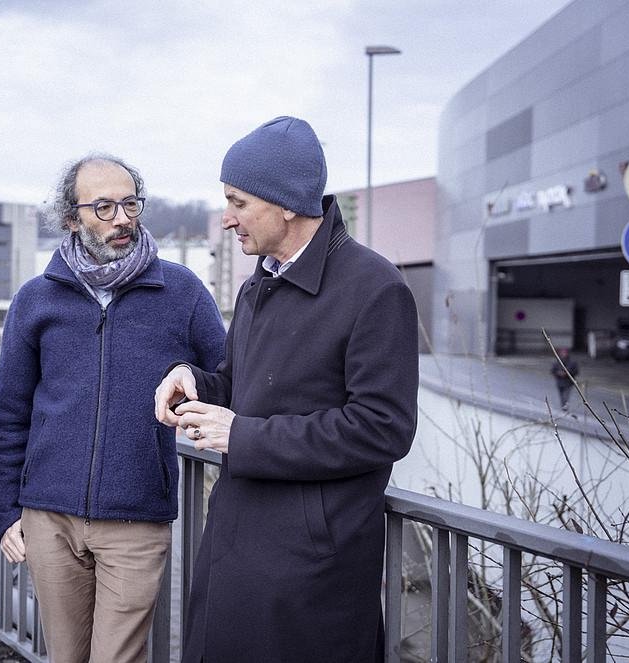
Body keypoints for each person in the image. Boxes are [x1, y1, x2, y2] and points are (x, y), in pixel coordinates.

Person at [154, 116, 420, 662]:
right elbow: (245, 385)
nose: (226, 219)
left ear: (287, 204)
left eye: (238, 202)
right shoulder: (264, 278)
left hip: (313, 568)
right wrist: (198, 381)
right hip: (240, 542)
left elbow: (383, 429)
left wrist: (244, 437)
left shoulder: (376, 288)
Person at [0, 153, 226, 663]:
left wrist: (194, 384)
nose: (122, 218)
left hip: (137, 517)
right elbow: (10, 413)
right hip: (48, 515)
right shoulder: (35, 300)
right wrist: (6, 509)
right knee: (65, 657)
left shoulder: (181, 291)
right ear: (71, 218)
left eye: (129, 203)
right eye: (103, 207)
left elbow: (229, 376)